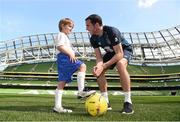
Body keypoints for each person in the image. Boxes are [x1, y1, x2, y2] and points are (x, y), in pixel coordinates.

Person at [85, 14, 134, 114]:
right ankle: (105, 101)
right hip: (111, 52)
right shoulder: (93, 38)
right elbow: (99, 58)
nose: (86, 28)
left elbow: (119, 54)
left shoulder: (111, 31)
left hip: (124, 50)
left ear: (97, 25)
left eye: (88, 25)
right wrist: (99, 67)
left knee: (120, 64)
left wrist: (105, 65)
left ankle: (128, 102)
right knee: (99, 71)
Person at [54, 18, 95, 113]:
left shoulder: (64, 36)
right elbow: (60, 46)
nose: (71, 29)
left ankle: (57, 107)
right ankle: (81, 91)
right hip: (64, 57)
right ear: (62, 26)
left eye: (72, 27)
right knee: (82, 66)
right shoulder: (61, 35)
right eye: (69, 26)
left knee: (62, 83)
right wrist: (70, 53)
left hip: (63, 59)